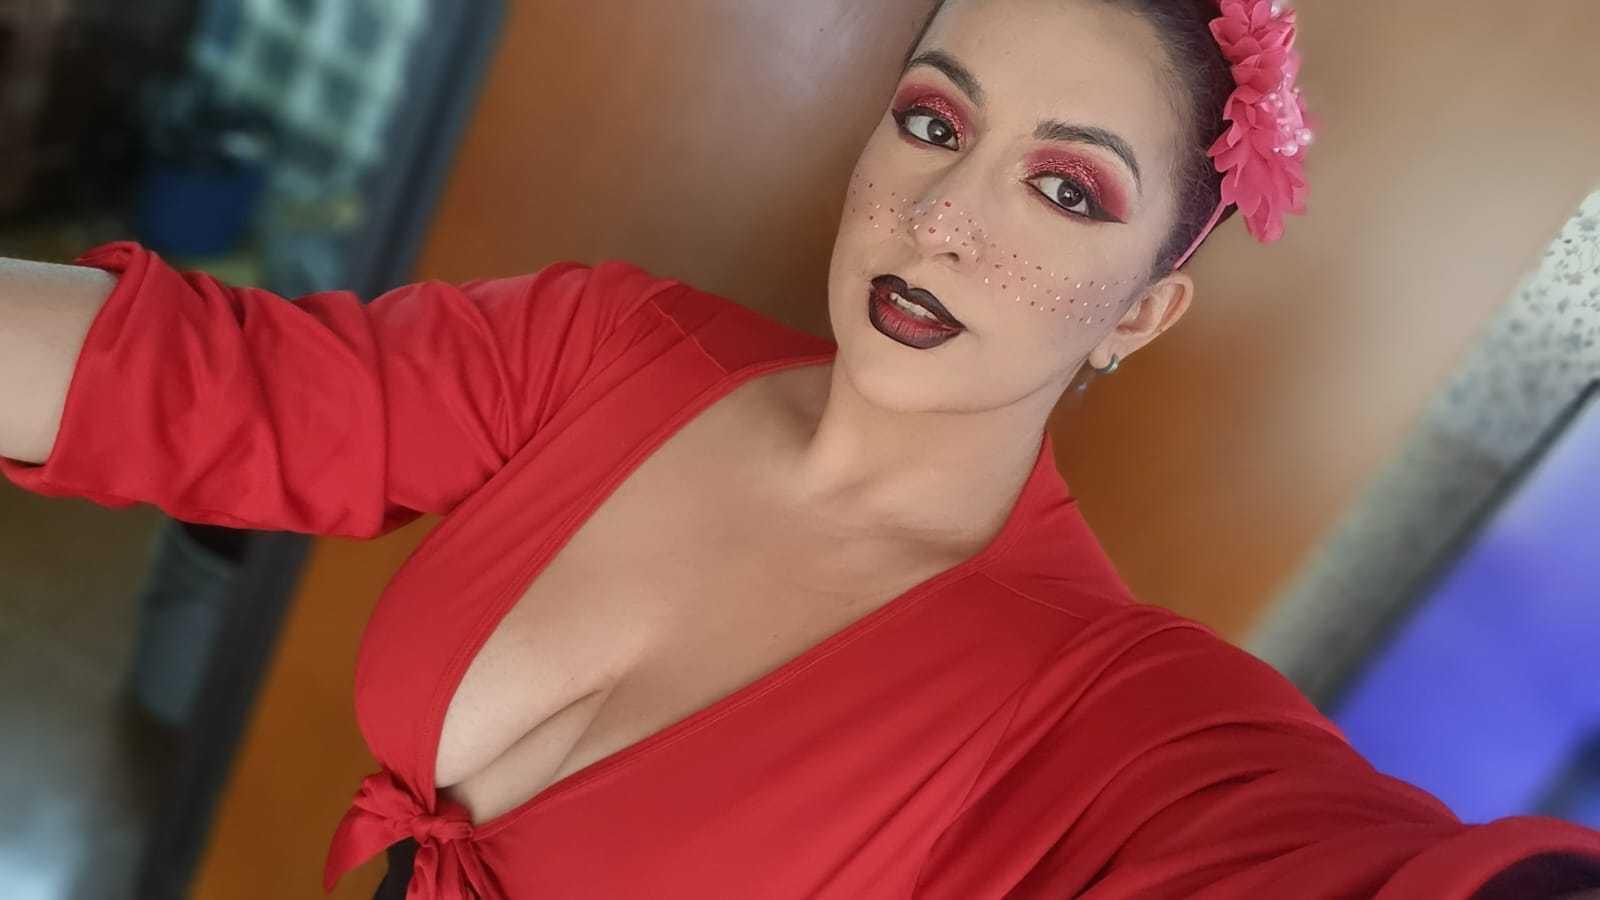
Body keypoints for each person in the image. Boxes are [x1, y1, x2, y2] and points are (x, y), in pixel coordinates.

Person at [3, 1, 1599, 897]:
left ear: (1143, 311)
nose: (941, 216)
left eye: (1067, 190)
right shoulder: (606, 347)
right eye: (933, 121)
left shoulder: (1099, 718)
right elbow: (206, 385)